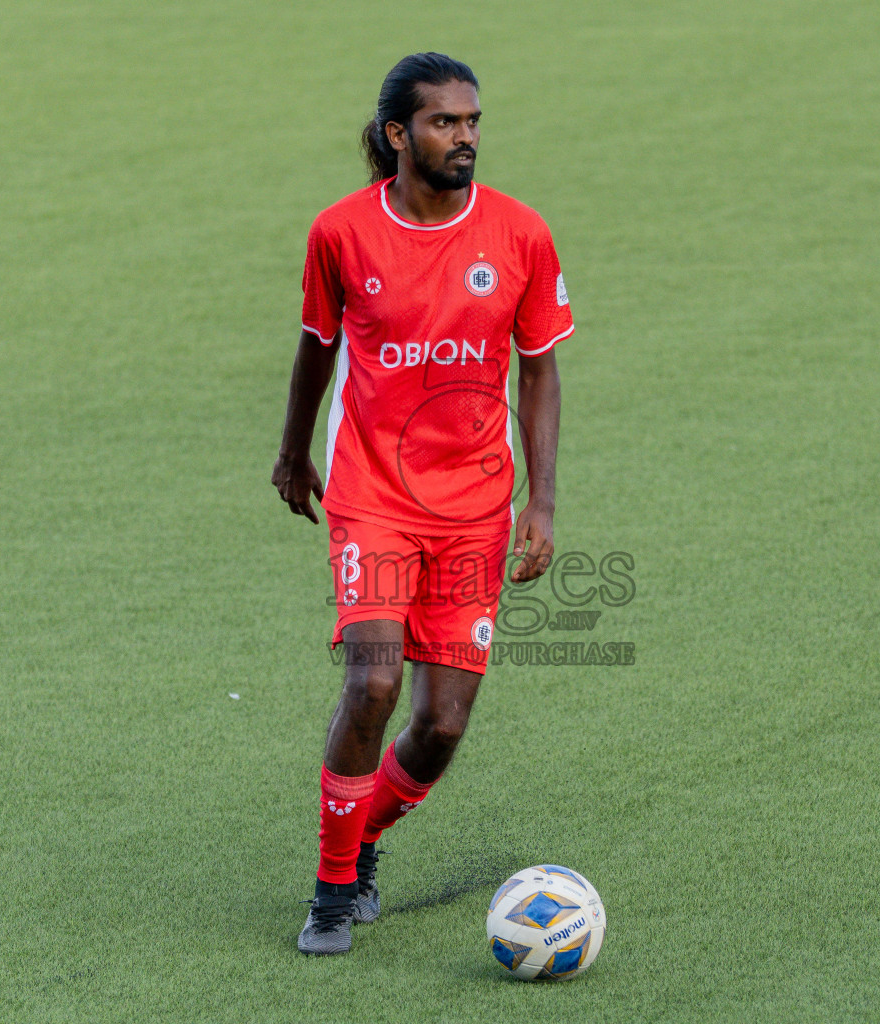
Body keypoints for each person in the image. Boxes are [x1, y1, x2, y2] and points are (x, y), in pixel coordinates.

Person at [271, 51, 573, 955]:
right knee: (374, 680)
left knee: (439, 726)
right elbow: (317, 350)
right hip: (373, 497)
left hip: (476, 505)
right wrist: (293, 451)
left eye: (473, 122)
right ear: (398, 134)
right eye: (446, 123)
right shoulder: (341, 233)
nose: (466, 137)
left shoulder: (520, 234)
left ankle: (358, 837)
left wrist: (543, 503)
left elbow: (541, 370)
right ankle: (332, 894)